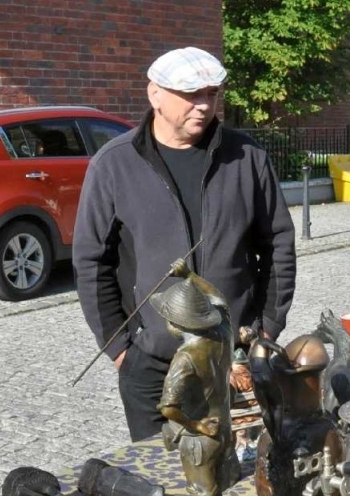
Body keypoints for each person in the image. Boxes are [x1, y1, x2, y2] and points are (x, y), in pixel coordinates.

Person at [73, 46, 296, 441]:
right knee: (159, 483)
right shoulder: (114, 164)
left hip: (232, 358)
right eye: (191, 94)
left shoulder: (246, 157)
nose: (204, 105)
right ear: (154, 94)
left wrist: (266, 328)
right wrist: (121, 348)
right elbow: (92, 261)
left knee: (232, 473)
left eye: (211, 94)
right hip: (151, 361)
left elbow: (277, 244)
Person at [152, 261, 237, 496]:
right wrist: (190, 275)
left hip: (200, 439)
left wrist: (196, 425)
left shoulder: (185, 358)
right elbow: (220, 300)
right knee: (215, 494)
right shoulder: (222, 333)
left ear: (176, 324)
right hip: (224, 427)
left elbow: (168, 408)